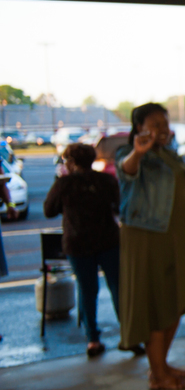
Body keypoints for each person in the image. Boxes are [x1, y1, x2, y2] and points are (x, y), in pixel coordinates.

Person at [117, 103, 185, 390]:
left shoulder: (168, 154)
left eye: (165, 124)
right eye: (155, 124)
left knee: (174, 300)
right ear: (139, 127)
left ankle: (162, 365)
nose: (162, 129)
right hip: (149, 240)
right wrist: (139, 151)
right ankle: (157, 375)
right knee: (155, 304)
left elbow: (177, 184)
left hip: (175, 239)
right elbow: (126, 171)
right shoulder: (132, 153)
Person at [43, 143, 121, 358]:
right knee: (118, 287)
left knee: (87, 291)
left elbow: (49, 210)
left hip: (78, 243)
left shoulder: (64, 184)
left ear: (72, 162)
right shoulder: (106, 180)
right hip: (108, 240)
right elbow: (118, 206)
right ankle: (129, 333)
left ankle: (92, 339)